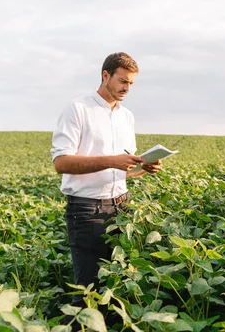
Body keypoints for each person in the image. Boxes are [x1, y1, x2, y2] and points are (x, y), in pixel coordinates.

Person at [50, 52, 161, 324]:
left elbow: (123, 171)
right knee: (88, 294)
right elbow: (61, 162)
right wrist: (113, 160)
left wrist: (142, 169)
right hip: (86, 210)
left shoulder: (127, 117)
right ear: (105, 75)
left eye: (131, 84)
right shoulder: (78, 109)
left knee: (115, 290)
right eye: (122, 81)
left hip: (121, 207)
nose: (127, 88)